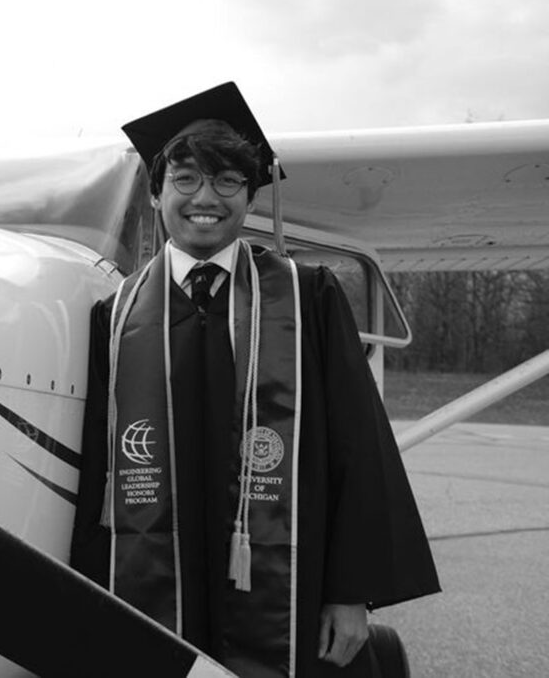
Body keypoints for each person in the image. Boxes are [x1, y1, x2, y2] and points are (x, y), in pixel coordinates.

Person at [69, 82, 440, 677]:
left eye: (227, 182)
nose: (205, 198)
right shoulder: (113, 318)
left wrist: (352, 593)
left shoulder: (307, 297)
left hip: (284, 588)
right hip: (152, 585)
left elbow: (358, 447)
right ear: (157, 190)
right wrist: (86, 594)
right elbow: (97, 479)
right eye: (185, 179)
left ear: (250, 194)